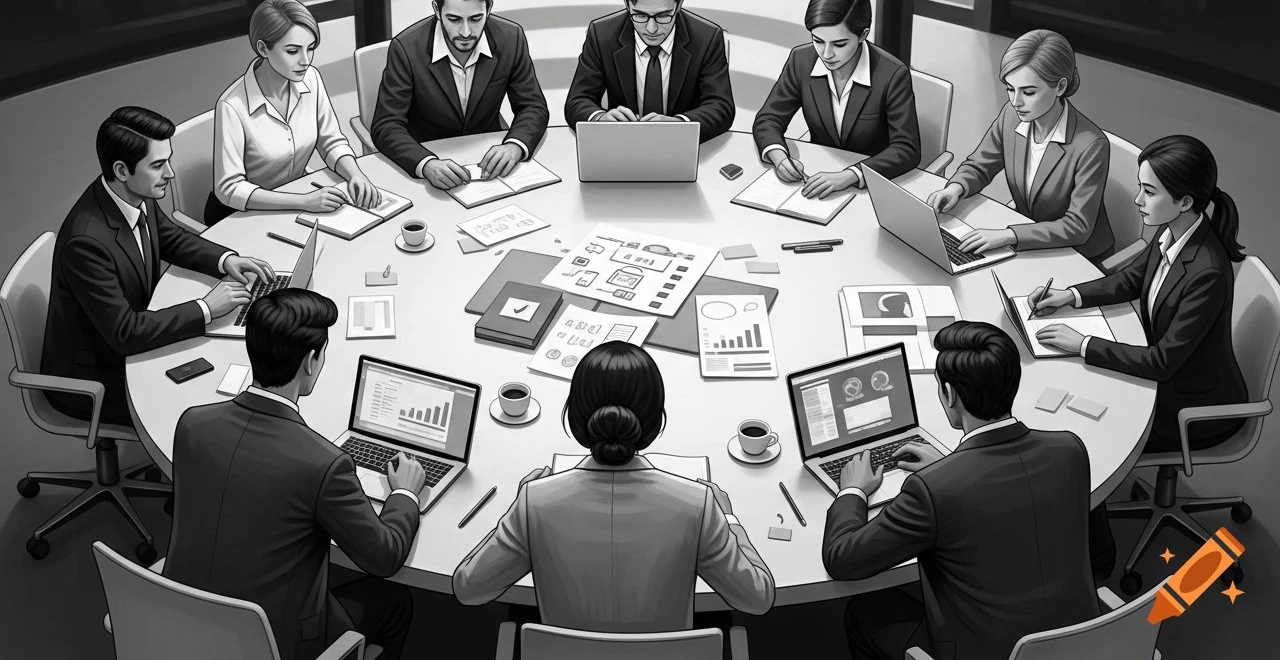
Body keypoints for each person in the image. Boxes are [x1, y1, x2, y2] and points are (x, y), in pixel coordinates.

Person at [163, 289, 427, 660]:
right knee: (396, 601)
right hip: (273, 642)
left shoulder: (193, 423)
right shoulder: (324, 463)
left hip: (177, 617)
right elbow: (384, 557)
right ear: (310, 362)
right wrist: (405, 496)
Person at [1031, 134, 1248, 577]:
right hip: (1165, 375)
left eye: (1148, 192)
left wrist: (1083, 345)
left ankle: (1098, 557)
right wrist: (1070, 296)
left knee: (1082, 445)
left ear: (1184, 200)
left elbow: (1163, 361)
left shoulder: (1206, 272)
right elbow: (1132, 279)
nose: (1137, 200)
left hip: (1191, 406)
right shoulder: (1176, 232)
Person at [452, 341, 774, 638]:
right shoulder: (698, 505)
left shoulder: (534, 501)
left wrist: (519, 507)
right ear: (653, 421)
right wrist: (728, 519)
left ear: (577, 417)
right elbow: (758, 598)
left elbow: (468, 587)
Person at [823, 322, 1098, 660]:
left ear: (950, 394)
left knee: (863, 614)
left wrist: (852, 492)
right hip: (1082, 643)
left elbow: (842, 560)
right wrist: (953, 467)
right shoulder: (1069, 450)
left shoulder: (930, 491)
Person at [41, 107, 274, 425]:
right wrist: (206, 308)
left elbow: (171, 239)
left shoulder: (131, 193)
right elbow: (125, 333)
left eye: (168, 160)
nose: (170, 174)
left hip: (134, 339)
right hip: (102, 376)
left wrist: (226, 260)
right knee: (215, 407)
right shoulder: (86, 244)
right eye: (158, 165)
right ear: (122, 170)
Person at [927, 29, 1115, 264]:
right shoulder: (1012, 116)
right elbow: (979, 165)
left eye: (1028, 92)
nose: (1015, 102)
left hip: (1078, 257)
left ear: (1060, 87)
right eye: (1010, 88)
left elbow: (1077, 226)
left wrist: (1009, 235)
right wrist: (956, 187)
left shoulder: (1091, 145)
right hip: (1029, 241)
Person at [371, 0, 549, 189]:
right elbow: (386, 125)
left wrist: (514, 146)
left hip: (487, 163)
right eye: (454, 19)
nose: (466, 32)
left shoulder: (510, 37)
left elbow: (532, 106)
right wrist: (426, 163)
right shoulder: (406, 48)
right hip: (431, 162)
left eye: (476, 19)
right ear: (437, 10)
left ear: (489, 8)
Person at [208, 0, 382, 227]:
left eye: (310, 49)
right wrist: (302, 201)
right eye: (292, 51)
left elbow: (330, 141)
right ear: (262, 49)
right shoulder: (232, 105)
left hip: (296, 203)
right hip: (241, 216)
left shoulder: (312, 79)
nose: (305, 61)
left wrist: (356, 175)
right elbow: (230, 189)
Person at [753, 0, 921, 198]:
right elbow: (768, 118)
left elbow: (906, 149)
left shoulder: (892, 74)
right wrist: (779, 157)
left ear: (863, 35)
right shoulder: (801, 60)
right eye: (818, 41)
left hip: (872, 189)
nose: (826, 54)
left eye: (839, 44)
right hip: (817, 179)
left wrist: (851, 175)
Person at [564, 0, 734, 143]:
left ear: (679, 5)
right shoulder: (602, 34)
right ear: (627, 4)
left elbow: (721, 107)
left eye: (663, 15)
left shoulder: (707, 37)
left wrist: (680, 124)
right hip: (622, 146)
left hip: (680, 147)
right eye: (640, 15)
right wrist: (600, 118)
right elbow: (576, 102)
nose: (651, 29)